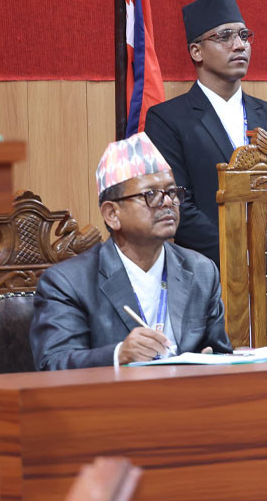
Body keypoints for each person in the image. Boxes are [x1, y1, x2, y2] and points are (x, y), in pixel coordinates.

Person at [30, 133, 232, 369]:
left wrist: (211, 360)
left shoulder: (201, 271)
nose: (167, 202)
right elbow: (52, 364)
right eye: (151, 195)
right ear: (112, 215)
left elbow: (219, 353)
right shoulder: (68, 282)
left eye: (171, 192)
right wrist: (118, 355)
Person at [146, 0, 267, 264]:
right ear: (196, 51)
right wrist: (242, 253)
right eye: (225, 36)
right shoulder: (168, 120)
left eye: (244, 36)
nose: (239, 45)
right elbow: (177, 205)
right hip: (208, 270)